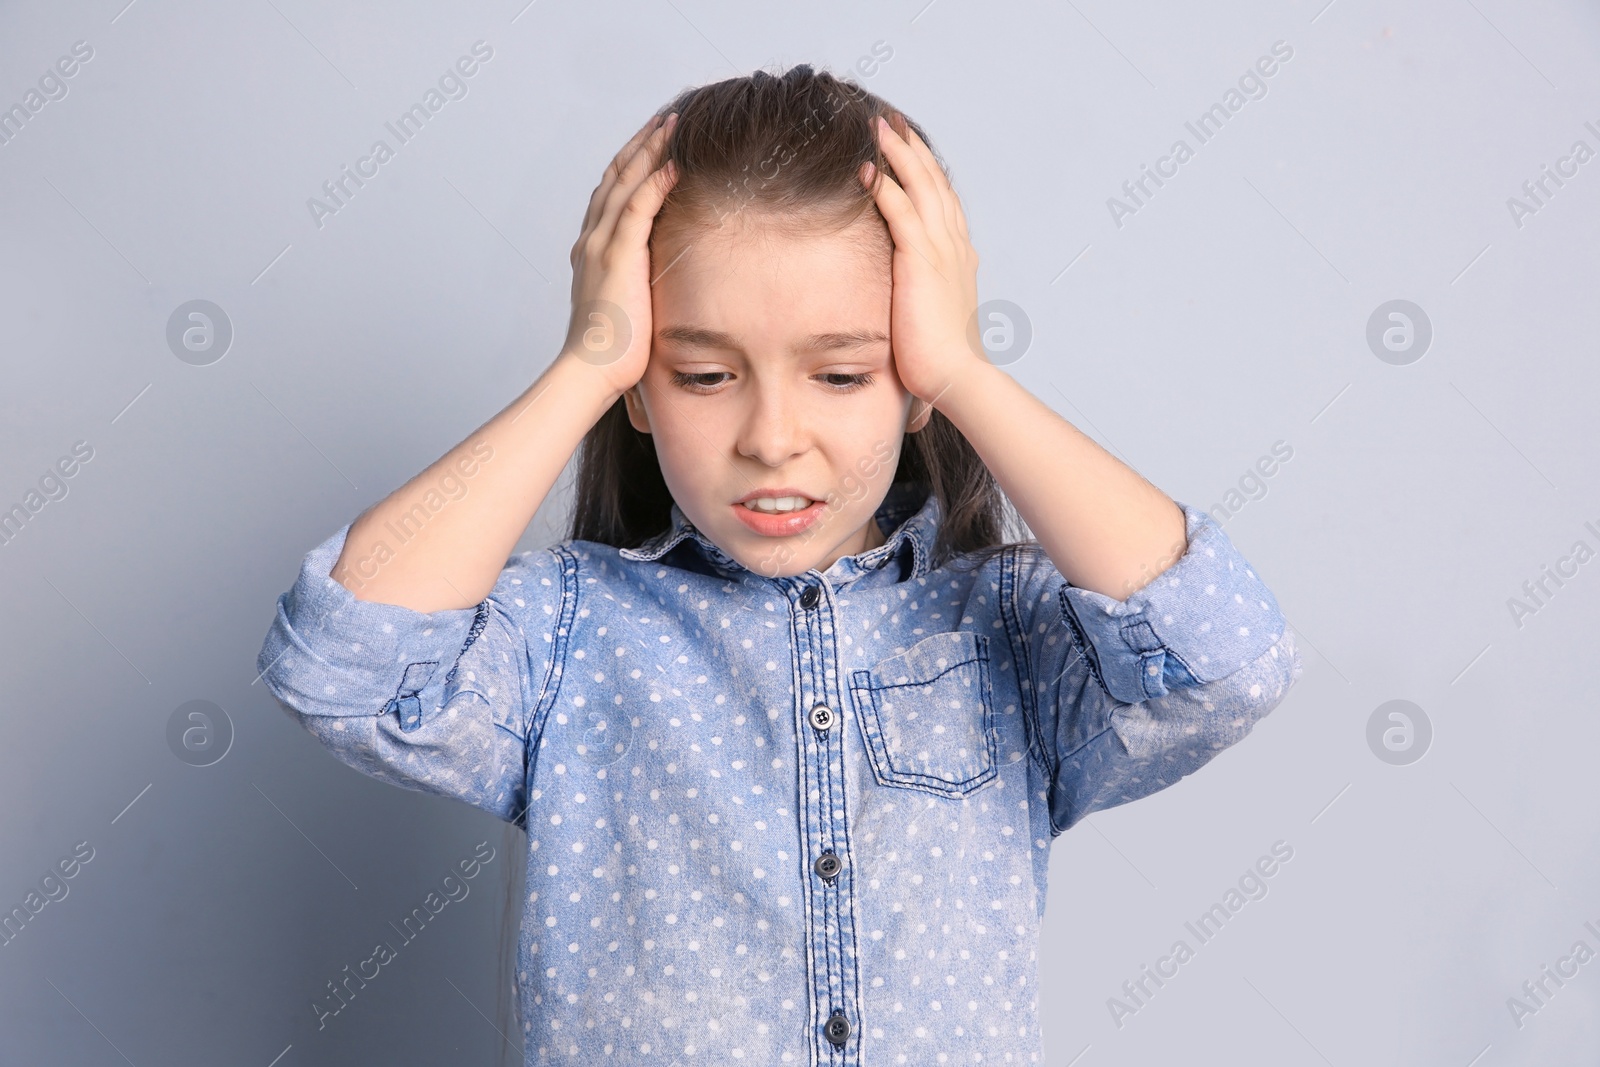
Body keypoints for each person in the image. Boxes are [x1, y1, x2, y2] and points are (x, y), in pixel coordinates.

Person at [257, 64, 1301, 1065]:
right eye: (704, 374)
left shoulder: (1006, 628)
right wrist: (584, 362)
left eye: (842, 373)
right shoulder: (570, 630)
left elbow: (1224, 661)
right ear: (640, 387)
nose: (771, 435)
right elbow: (345, 665)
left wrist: (963, 371)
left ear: (910, 379)